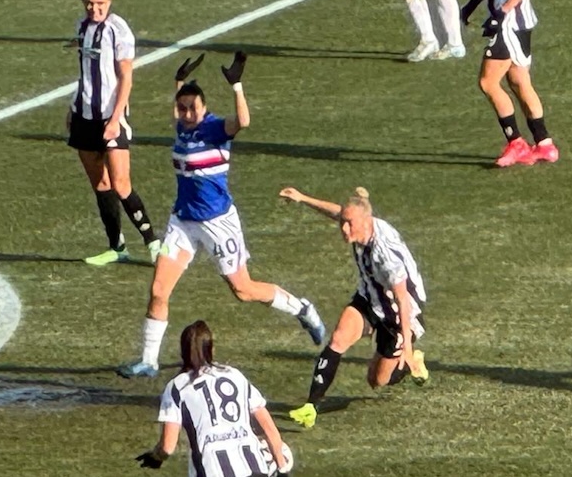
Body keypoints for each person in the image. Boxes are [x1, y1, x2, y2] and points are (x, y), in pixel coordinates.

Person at [117, 53, 325, 378]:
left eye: (192, 108)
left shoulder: (214, 129)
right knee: (158, 290)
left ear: (204, 108)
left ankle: (302, 309)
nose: (186, 113)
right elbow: (177, 109)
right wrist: (179, 80)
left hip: (217, 223)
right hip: (183, 222)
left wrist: (237, 85)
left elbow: (243, 122)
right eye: (183, 108)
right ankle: (148, 360)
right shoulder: (182, 128)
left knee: (243, 290)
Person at [280, 186, 428, 429]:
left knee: (377, 381)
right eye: (343, 223)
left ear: (365, 221)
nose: (344, 228)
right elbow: (337, 212)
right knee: (338, 339)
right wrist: (303, 198)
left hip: (398, 313)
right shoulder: (361, 225)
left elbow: (403, 300)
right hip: (369, 298)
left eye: (349, 224)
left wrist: (408, 347)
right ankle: (311, 406)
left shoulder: (385, 255)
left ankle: (413, 364)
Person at [66, 0, 165, 266]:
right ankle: (116, 246)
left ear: (110, 1)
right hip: (84, 115)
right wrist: (71, 108)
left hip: (112, 116)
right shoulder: (82, 27)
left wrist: (115, 118)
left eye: (101, 4)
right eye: (90, 4)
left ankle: (153, 243)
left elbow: (125, 78)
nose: (95, 9)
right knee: (101, 184)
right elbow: (85, 74)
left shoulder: (118, 30)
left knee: (121, 183)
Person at [459, 0, 558, 167]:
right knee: (518, 82)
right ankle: (545, 144)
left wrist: (500, 15)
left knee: (488, 82)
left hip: (511, 23)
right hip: (517, 22)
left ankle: (516, 143)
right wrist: (473, 3)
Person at [134, 320, 292, 477]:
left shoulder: (177, 387)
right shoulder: (235, 375)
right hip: (255, 469)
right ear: (212, 349)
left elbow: (168, 447)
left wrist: (156, 456)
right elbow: (270, 429)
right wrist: (282, 468)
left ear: (183, 352)